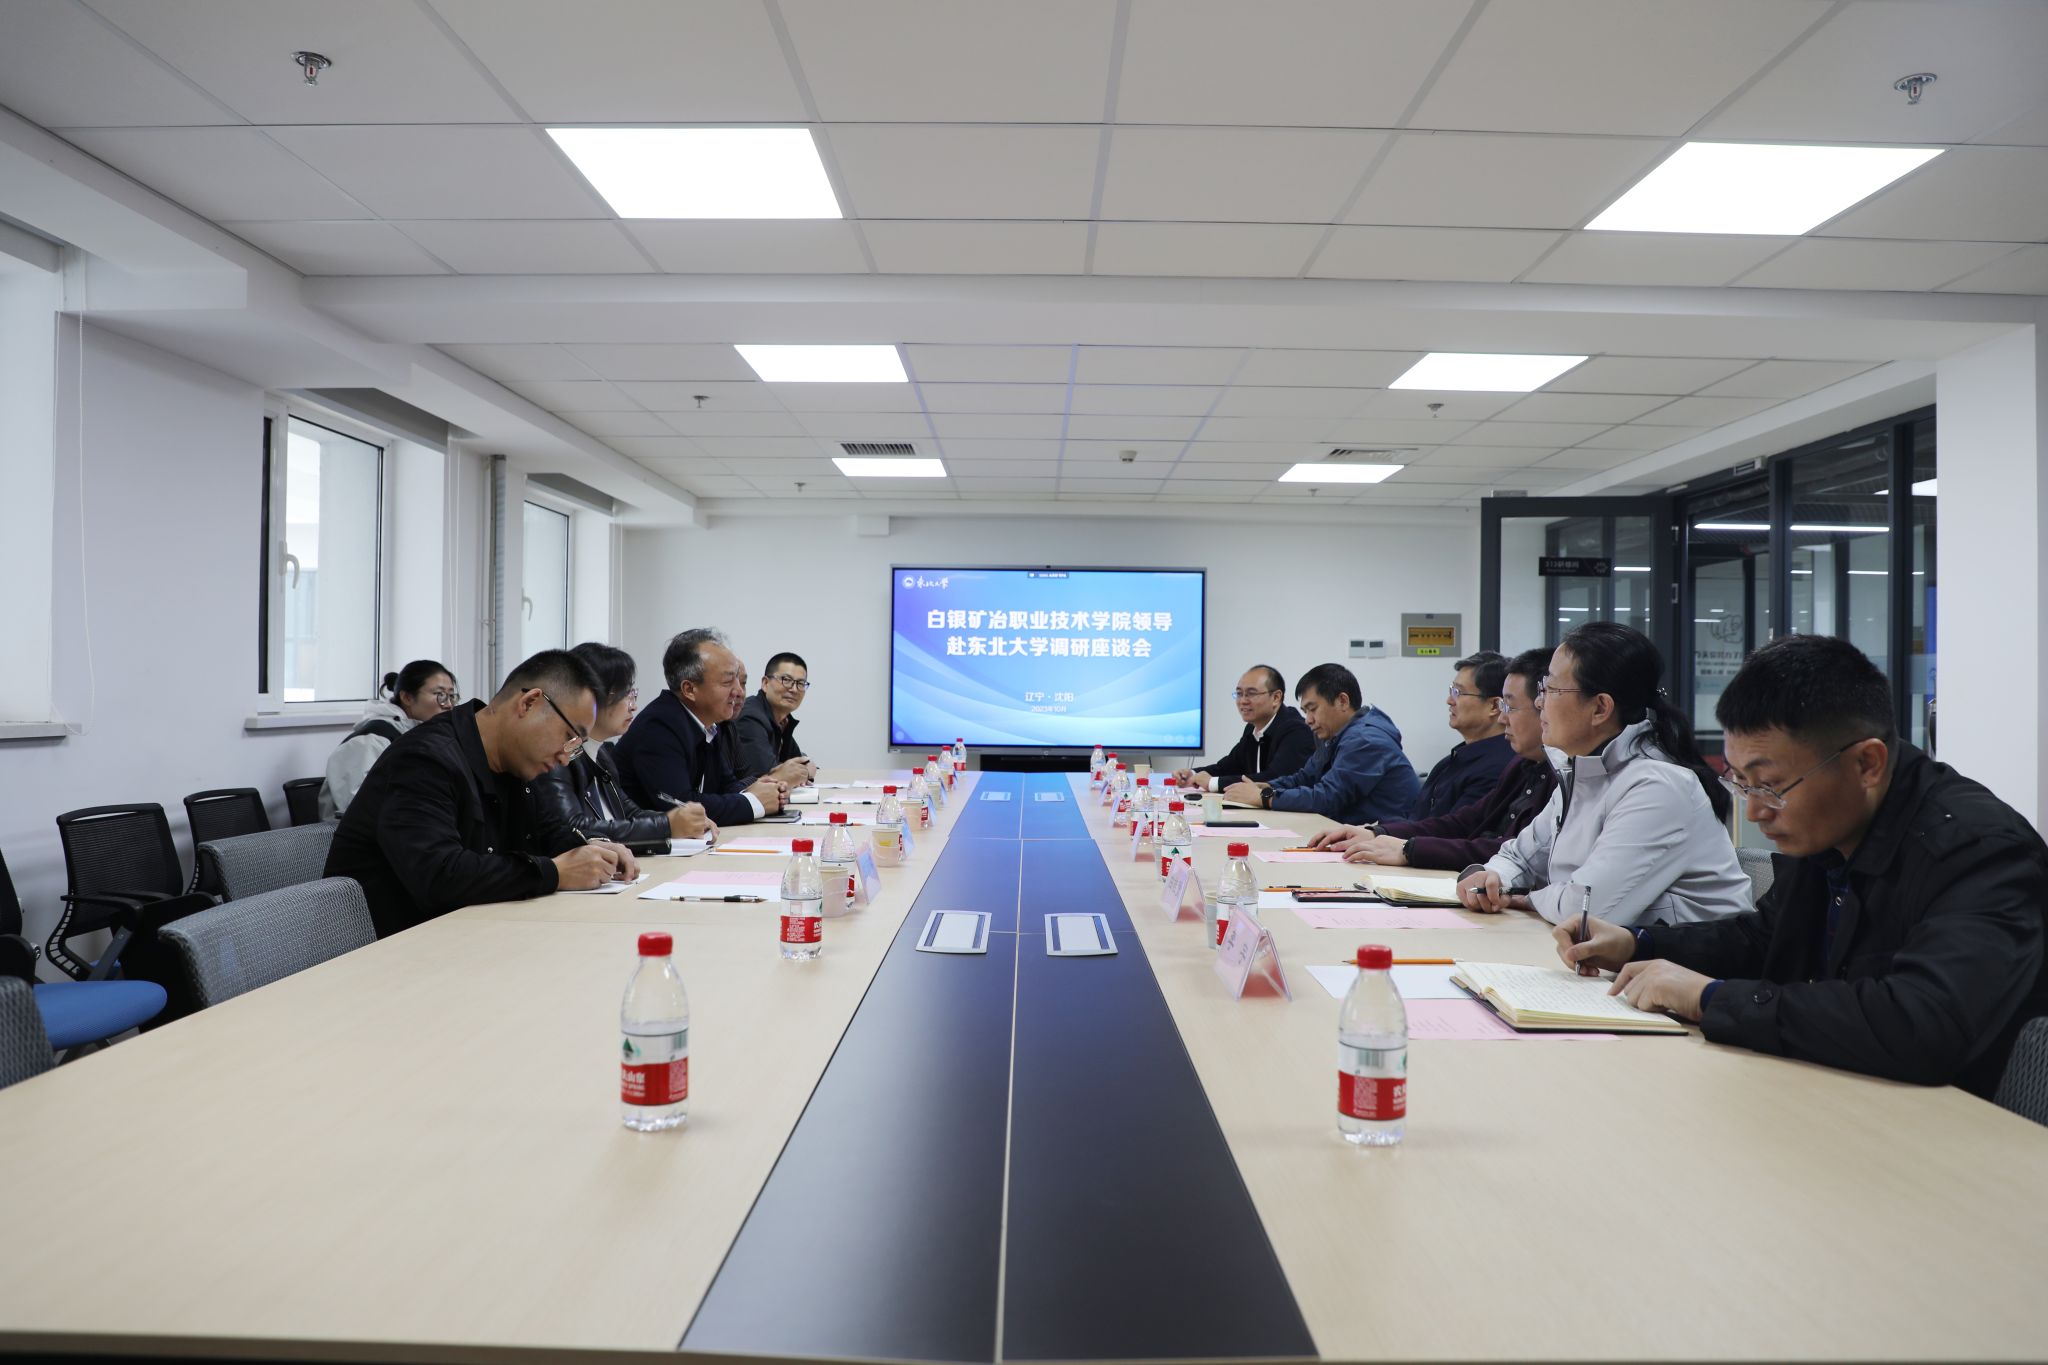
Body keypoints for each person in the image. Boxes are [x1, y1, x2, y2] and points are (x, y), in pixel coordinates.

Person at [1558, 635, 2048, 1097]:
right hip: (1836, 1090)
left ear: (1867, 764)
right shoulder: (1833, 823)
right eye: (1741, 782)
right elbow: (1767, 938)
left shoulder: (1977, 851)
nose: (1755, 811)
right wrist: (1638, 943)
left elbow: (1922, 1022)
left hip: (1954, 1124)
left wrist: (1711, 999)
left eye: (1770, 786)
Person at [325, 650, 633, 939]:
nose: (566, 758)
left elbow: (541, 835)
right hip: (389, 948)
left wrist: (590, 849)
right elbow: (439, 876)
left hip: (468, 934)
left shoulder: (514, 763)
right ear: (529, 703)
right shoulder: (425, 759)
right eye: (569, 736)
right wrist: (556, 872)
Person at [1457, 623, 1748, 928]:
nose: (1539, 702)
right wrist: (1493, 878)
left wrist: (1529, 898)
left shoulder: (1658, 786)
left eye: (1551, 689)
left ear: (1600, 708)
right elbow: (1518, 857)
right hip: (1602, 950)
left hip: (1678, 956)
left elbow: (1586, 910)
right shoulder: (1582, 771)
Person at [1310, 647, 1557, 870]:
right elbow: (1461, 821)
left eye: (1510, 707)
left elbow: (1501, 848)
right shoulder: (1518, 765)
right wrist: (1378, 832)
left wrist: (1408, 848)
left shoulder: (1520, 768)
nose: (1449, 700)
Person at [529, 643, 715, 849]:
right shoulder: (558, 756)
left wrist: (683, 822)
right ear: (591, 696)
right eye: (626, 695)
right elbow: (573, 828)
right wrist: (667, 826)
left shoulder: (602, 755)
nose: (633, 706)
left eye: (633, 694)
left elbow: (628, 813)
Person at [613, 628, 786, 826]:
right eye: (728, 681)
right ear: (689, 689)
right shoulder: (658, 727)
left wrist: (759, 791)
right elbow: (680, 806)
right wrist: (754, 803)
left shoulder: (708, 724)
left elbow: (726, 786)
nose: (738, 691)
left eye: (740, 681)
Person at [1221, 663, 1419, 825]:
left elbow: (1327, 798)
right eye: (1305, 711)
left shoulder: (1366, 741)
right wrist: (1265, 786)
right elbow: (1304, 778)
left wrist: (1264, 796)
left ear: (1342, 701)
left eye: (1312, 709)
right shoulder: (1333, 735)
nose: (1307, 719)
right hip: (1348, 832)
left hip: (1382, 840)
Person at [318, 660, 458, 819]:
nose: (448, 704)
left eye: (451, 696)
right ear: (407, 697)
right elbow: (359, 809)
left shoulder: (426, 738)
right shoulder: (370, 741)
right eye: (440, 694)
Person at [1407, 651, 1516, 821]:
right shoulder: (1453, 760)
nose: (1449, 701)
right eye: (1452, 690)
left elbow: (1451, 830)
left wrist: (1381, 832)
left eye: (1459, 692)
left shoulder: (1497, 769)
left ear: (1495, 706)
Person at [1170, 665, 1315, 791]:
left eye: (1251, 694)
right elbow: (1228, 767)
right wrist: (1192, 774)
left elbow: (1275, 778)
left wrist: (1213, 783)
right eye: (1239, 694)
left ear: (1276, 697)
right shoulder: (1252, 729)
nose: (1243, 701)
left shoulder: (1297, 730)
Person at [732, 652, 818, 788]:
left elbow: (798, 760)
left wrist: (803, 768)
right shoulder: (750, 717)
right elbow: (768, 777)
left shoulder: (783, 721)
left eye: (801, 683)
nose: (794, 689)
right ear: (765, 683)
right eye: (786, 680)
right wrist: (805, 771)